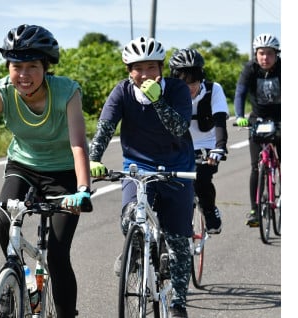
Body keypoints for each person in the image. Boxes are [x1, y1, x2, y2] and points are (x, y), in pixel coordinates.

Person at [0, 24, 92, 317]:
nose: (23, 74)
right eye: (16, 66)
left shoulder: (66, 92)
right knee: (4, 217)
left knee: (59, 256)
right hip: (22, 166)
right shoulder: (1, 92)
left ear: (46, 67)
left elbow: (78, 145)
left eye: (32, 66)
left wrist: (83, 190)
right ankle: (13, 282)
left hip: (63, 172)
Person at [88, 36, 195, 318]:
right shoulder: (121, 92)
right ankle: (136, 252)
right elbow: (105, 128)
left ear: (161, 68)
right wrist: (94, 158)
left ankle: (178, 303)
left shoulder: (177, 90)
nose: (145, 74)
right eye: (138, 68)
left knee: (178, 240)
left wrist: (158, 102)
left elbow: (179, 128)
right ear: (128, 71)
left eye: (151, 67)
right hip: (138, 166)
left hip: (176, 167)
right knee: (129, 219)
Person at [169, 48, 230, 235]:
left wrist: (219, 148)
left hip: (207, 147)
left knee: (202, 179)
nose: (189, 87)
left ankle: (210, 210)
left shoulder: (213, 90)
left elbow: (220, 120)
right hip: (178, 146)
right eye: (183, 81)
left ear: (201, 77)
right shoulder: (167, 92)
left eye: (194, 80)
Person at [234, 33, 281, 227]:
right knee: (256, 166)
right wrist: (239, 116)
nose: (265, 58)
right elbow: (240, 93)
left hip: (281, 118)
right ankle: (255, 209)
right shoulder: (250, 69)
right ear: (256, 54)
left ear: (276, 54)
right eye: (261, 53)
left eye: (269, 53)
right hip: (258, 119)